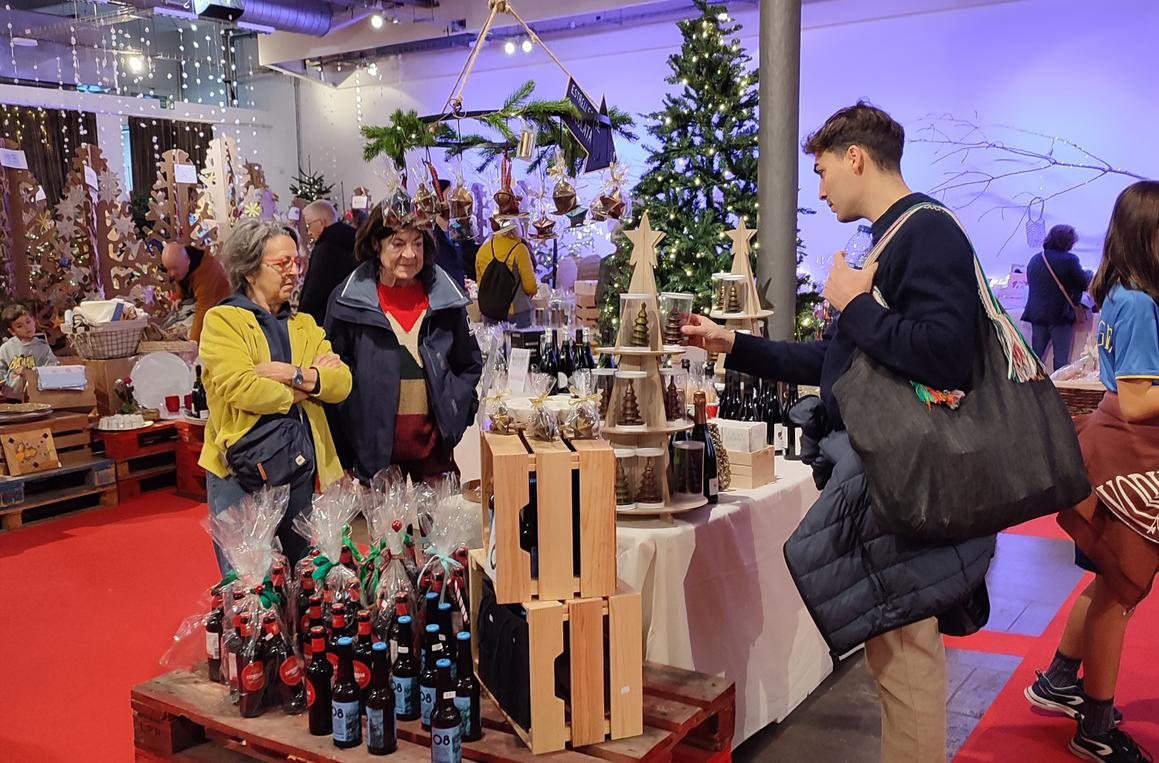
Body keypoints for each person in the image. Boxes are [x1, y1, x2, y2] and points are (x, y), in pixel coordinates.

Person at [684, 102, 996, 763]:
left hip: (907, 475)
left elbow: (944, 352)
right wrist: (732, 342)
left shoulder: (925, 233)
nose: (819, 188)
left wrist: (854, 303)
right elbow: (838, 363)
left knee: (906, 651)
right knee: (893, 651)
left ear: (855, 157)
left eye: (823, 170)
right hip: (887, 474)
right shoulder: (890, 237)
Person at [1026, 181, 1159, 763]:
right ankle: (1096, 726)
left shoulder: (1125, 295)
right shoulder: (1139, 302)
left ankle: (1060, 680)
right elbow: (1135, 400)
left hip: (1120, 447)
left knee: (1110, 581)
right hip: (1130, 452)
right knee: (1120, 591)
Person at [198, 219, 352, 571]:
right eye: (282, 264)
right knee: (248, 583)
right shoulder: (223, 321)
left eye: (297, 262)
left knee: (307, 575)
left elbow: (342, 382)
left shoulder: (304, 324)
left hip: (302, 468)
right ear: (251, 271)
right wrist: (310, 385)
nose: (294, 272)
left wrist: (289, 373)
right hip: (240, 470)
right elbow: (244, 389)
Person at [325, 204, 482, 484]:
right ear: (376, 244)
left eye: (417, 244)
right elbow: (334, 375)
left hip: (435, 453)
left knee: (444, 528)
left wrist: (457, 413)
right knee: (386, 528)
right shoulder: (348, 300)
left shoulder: (445, 298)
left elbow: (468, 363)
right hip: (374, 455)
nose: (409, 255)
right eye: (398, 244)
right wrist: (348, 448)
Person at [1022, 224, 1092, 371]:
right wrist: (1089, 274)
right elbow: (1082, 283)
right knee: (1061, 360)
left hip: (1037, 314)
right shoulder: (1069, 260)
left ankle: (1030, 389)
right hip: (1060, 315)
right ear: (1068, 241)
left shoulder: (1035, 259)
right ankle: (1059, 391)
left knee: (1035, 357)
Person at [298, 200, 357, 326]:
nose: (309, 232)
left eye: (309, 225)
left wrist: (301, 320)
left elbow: (314, 293)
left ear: (321, 223)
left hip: (326, 323)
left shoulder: (324, 250)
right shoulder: (354, 241)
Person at [161, 242, 232, 342]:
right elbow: (179, 279)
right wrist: (178, 296)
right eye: (169, 269)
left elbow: (203, 311)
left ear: (187, 261)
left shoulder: (207, 272)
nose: (171, 273)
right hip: (195, 303)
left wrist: (192, 343)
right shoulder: (183, 263)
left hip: (218, 307)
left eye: (175, 268)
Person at [474, 224, 537, 327]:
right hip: (517, 313)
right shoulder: (519, 249)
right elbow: (530, 287)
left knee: (492, 343)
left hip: (490, 313)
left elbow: (481, 286)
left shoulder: (482, 251)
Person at [0, 303, 57, 399]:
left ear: (34, 321)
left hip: (36, 394)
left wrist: (30, 372)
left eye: (28, 322)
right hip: (11, 396)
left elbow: (51, 368)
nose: (27, 327)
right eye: (19, 326)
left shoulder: (43, 347)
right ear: (12, 331)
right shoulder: (6, 348)